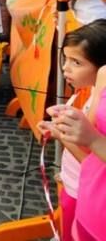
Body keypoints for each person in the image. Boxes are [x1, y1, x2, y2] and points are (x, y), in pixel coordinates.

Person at [37, 21, 106, 240]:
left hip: (83, 190)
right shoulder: (86, 93)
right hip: (74, 183)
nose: (65, 68)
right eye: (65, 59)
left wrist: (61, 135)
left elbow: (89, 157)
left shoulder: (97, 102)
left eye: (76, 62)